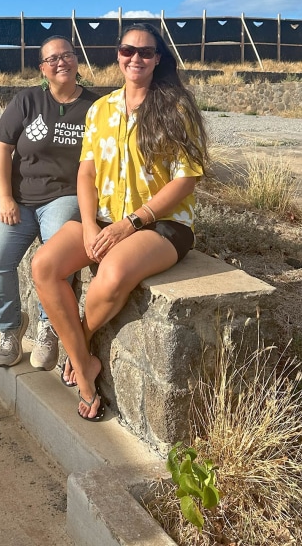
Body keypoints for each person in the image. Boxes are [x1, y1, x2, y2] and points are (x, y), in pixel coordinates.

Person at [31, 23, 209, 421]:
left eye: (146, 52)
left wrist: (132, 222)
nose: (136, 58)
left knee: (110, 272)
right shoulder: (101, 109)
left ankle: (83, 354)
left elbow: (187, 178)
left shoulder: (176, 107)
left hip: (162, 224)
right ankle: (85, 361)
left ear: (158, 59)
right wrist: (92, 227)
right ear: (118, 55)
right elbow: (86, 175)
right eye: (129, 50)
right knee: (44, 266)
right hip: (104, 218)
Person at [0, 36, 98, 369]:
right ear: (42, 69)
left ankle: (49, 327)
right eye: (52, 59)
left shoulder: (96, 106)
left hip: (63, 196)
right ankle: (10, 328)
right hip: (19, 199)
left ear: (77, 61)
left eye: (67, 55)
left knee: (54, 264)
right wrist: (5, 197)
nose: (60, 62)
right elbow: (1, 147)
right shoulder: (28, 100)